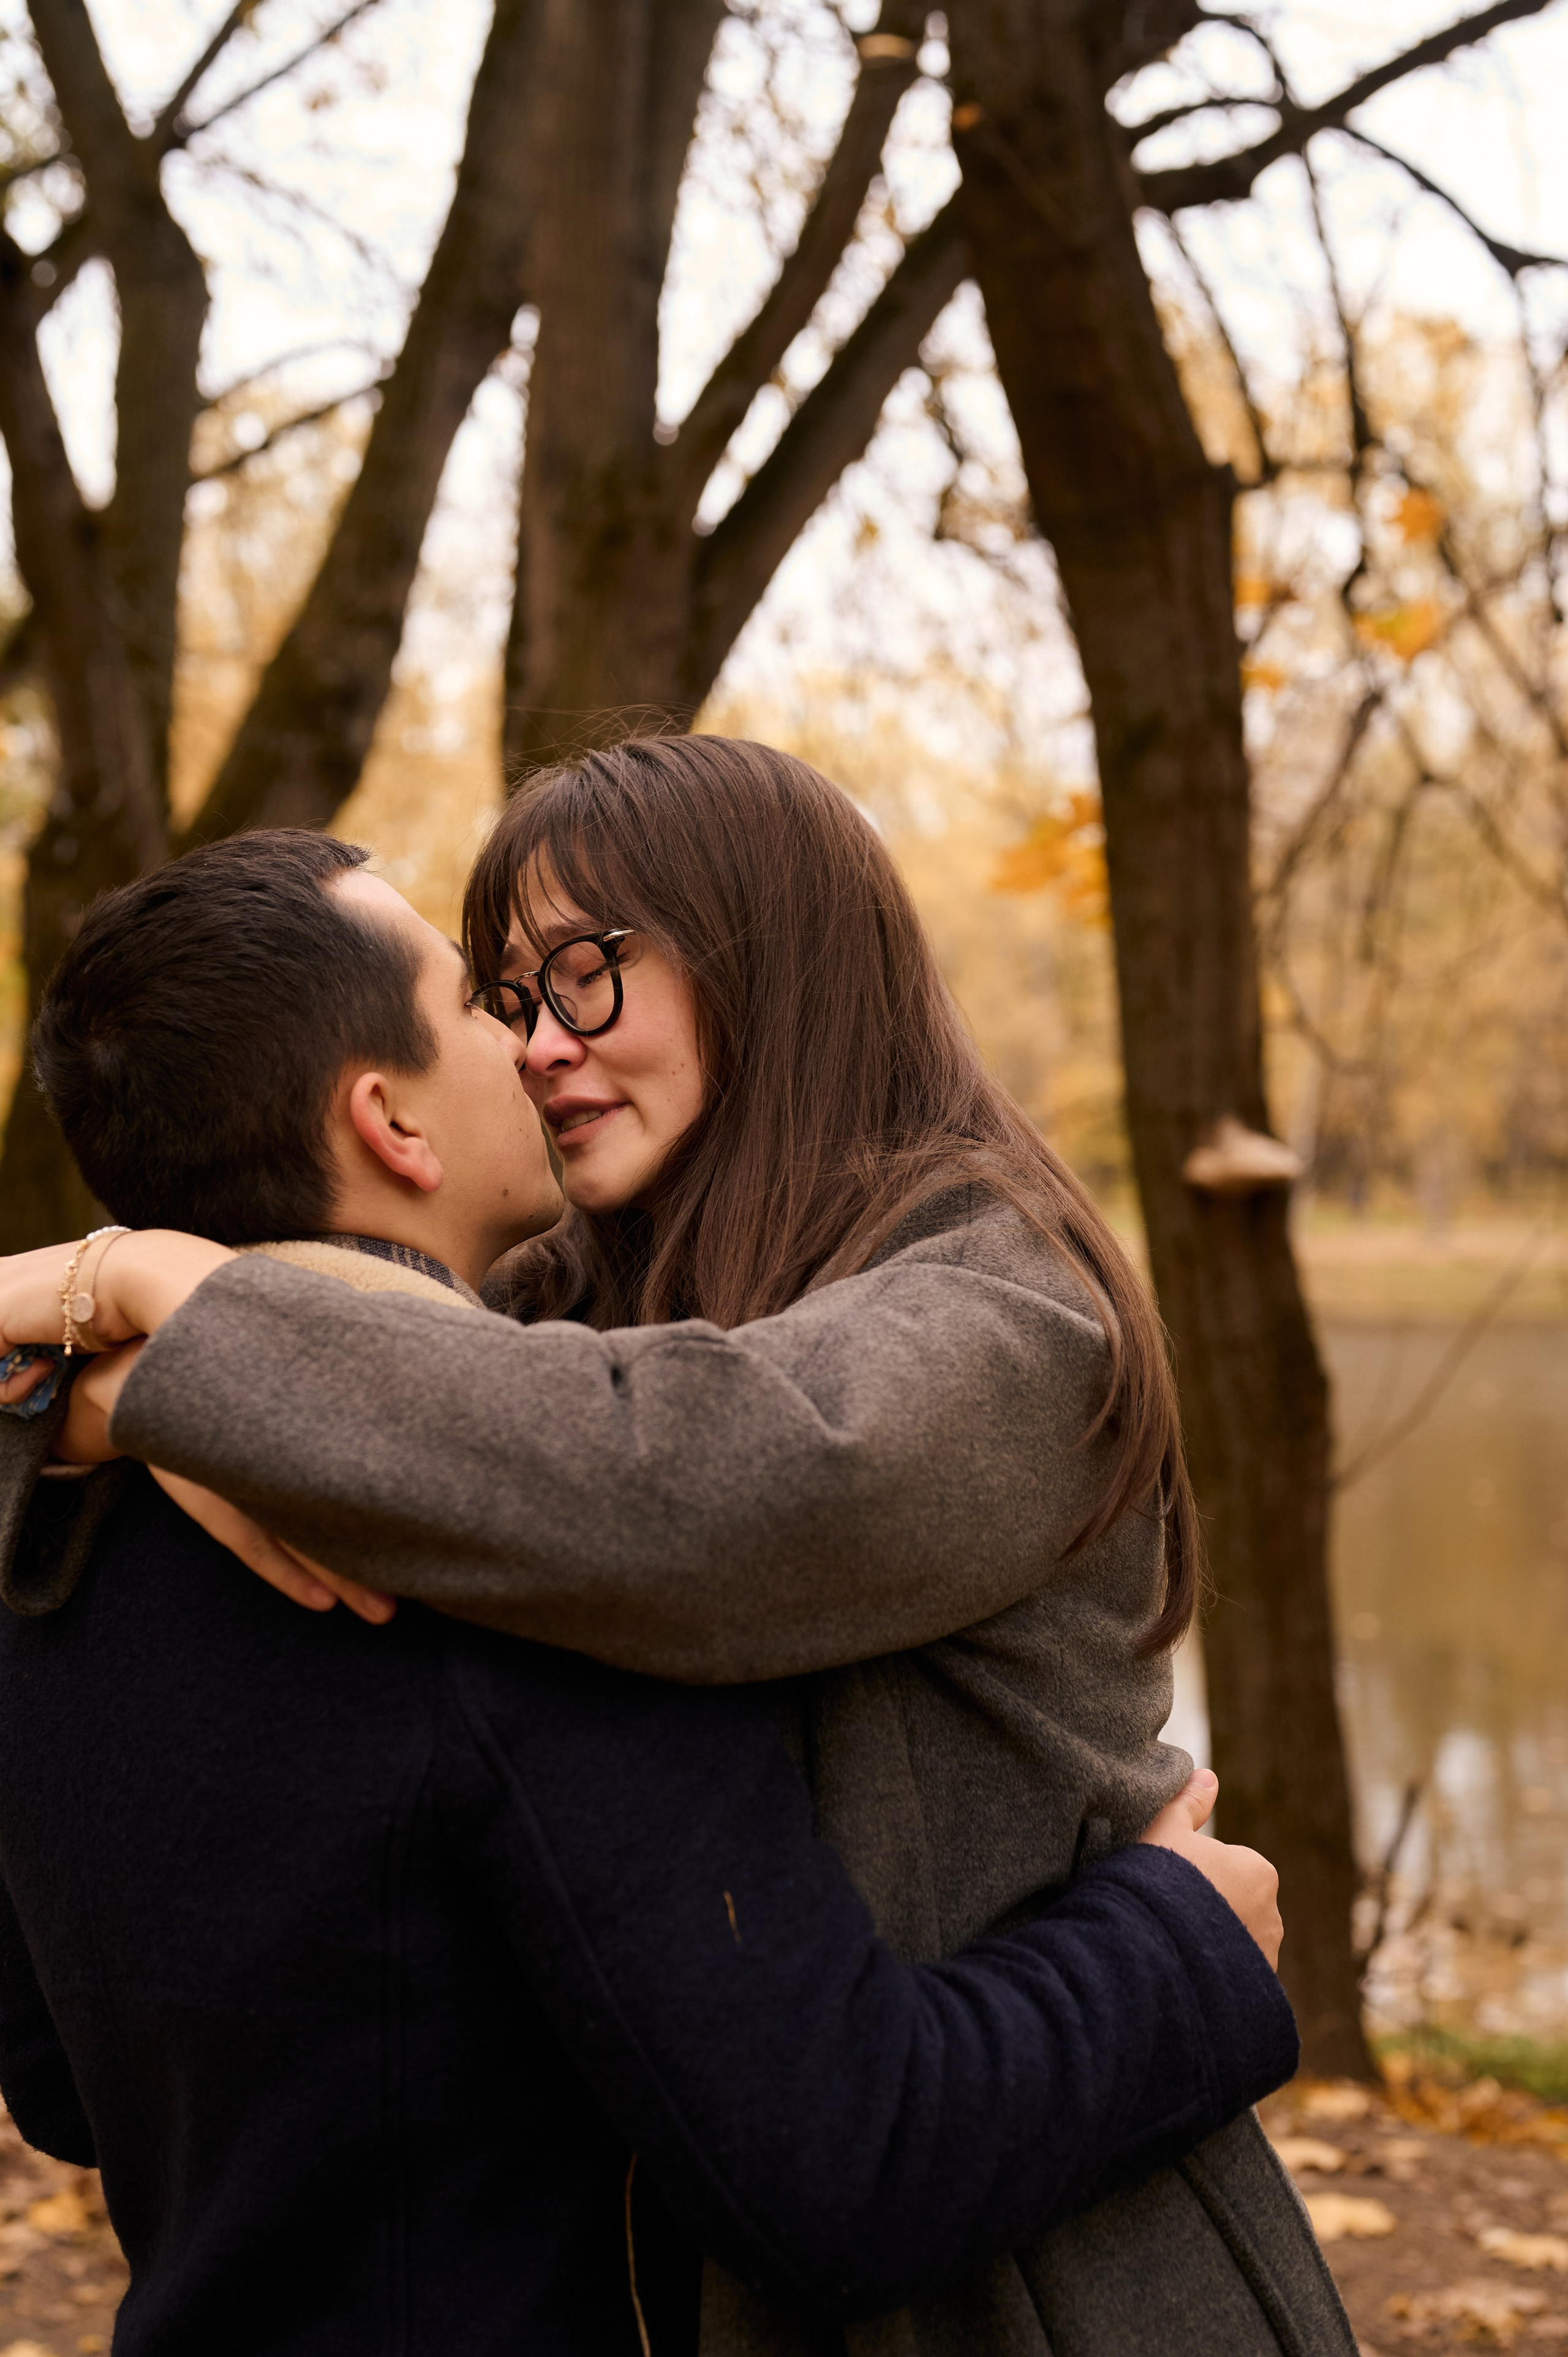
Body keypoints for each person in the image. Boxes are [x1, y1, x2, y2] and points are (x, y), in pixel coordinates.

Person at [0, 742, 1357, 2355]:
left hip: (1064, 2291)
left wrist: (159, 1312)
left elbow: (689, 1481)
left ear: (769, 956)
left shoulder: (998, 1308)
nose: (538, 1046)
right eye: (503, 998)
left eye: (583, 976)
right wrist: (102, 1341)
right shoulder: (551, 1332)